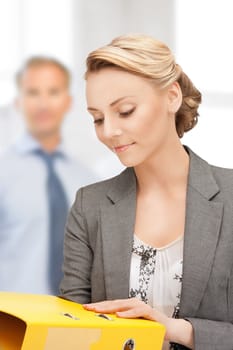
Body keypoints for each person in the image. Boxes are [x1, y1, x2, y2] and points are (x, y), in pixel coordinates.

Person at [59, 35, 233, 349]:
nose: (109, 131)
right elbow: (69, 329)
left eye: (125, 111)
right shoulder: (90, 206)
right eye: (97, 118)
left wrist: (175, 329)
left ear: (171, 96)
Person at [0, 56, 96, 295]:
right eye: (33, 92)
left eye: (53, 92)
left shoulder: (88, 181)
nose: (43, 104)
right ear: (18, 102)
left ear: (68, 102)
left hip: (74, 321)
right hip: (10, 322)